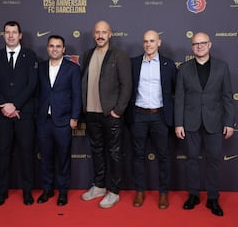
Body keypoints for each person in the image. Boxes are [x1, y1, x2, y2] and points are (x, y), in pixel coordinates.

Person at [175, 32, 235, 216]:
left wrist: (229, 122)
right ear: (192, 47)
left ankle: (213, 198)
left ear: (210, 45)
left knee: (213, 161)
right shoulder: (184, 69)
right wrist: (178, 123)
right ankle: (193, 195)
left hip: (214, 122)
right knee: (192, 160)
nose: (199, 46)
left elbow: (227, 97)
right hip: (190, 122)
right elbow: (179, 98)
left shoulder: (222, 67)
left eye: (202, 43)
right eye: (195, 44)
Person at [81, 20, 132, 208]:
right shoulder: (87, 55)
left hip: (111, 114)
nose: (100, 35)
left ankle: (115, 191)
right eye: (97, 32)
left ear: (110, 34)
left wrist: (118, 110)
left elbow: (127, 85)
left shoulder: (120, 55)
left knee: (114, 153)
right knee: (96, 151)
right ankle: (99, 186)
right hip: (91, 113)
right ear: (94, 34)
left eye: (104, 32)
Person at [0, 21, 38, 206]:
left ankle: (27, 191)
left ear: (20, 35)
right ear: (3, 35)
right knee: (2, 153)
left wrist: (14, 105)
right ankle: (2, 192)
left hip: (24, 114)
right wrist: (4, 105)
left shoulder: (30, 56)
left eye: (14, 32)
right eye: (7, 32)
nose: (10, 35)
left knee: (26, 153)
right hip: (2, 115)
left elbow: (32, 84)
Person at [127, 30, 176, 209]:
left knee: (163, 156)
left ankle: (163, 193)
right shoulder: (133, 63)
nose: (148, 44)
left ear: (159, 43)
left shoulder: (168, 65)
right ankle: (140, 191)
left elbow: (176, 92)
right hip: (138, 115)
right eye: (146, 41)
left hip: (160, 116)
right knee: (138, 156)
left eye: (152, 41)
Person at [36, 35, 81, 206]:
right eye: (51, 45)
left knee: (63, 159)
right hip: (43, 121)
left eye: (58, 46)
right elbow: (37, 94)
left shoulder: (72, 69)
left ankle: (63, 192)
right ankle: (47, 189)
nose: (54, 49)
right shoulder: (39, 67)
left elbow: (77, 95)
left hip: (63, 121)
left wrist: (74, 117)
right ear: (47, 48)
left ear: (63, 49)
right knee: (46, 158)